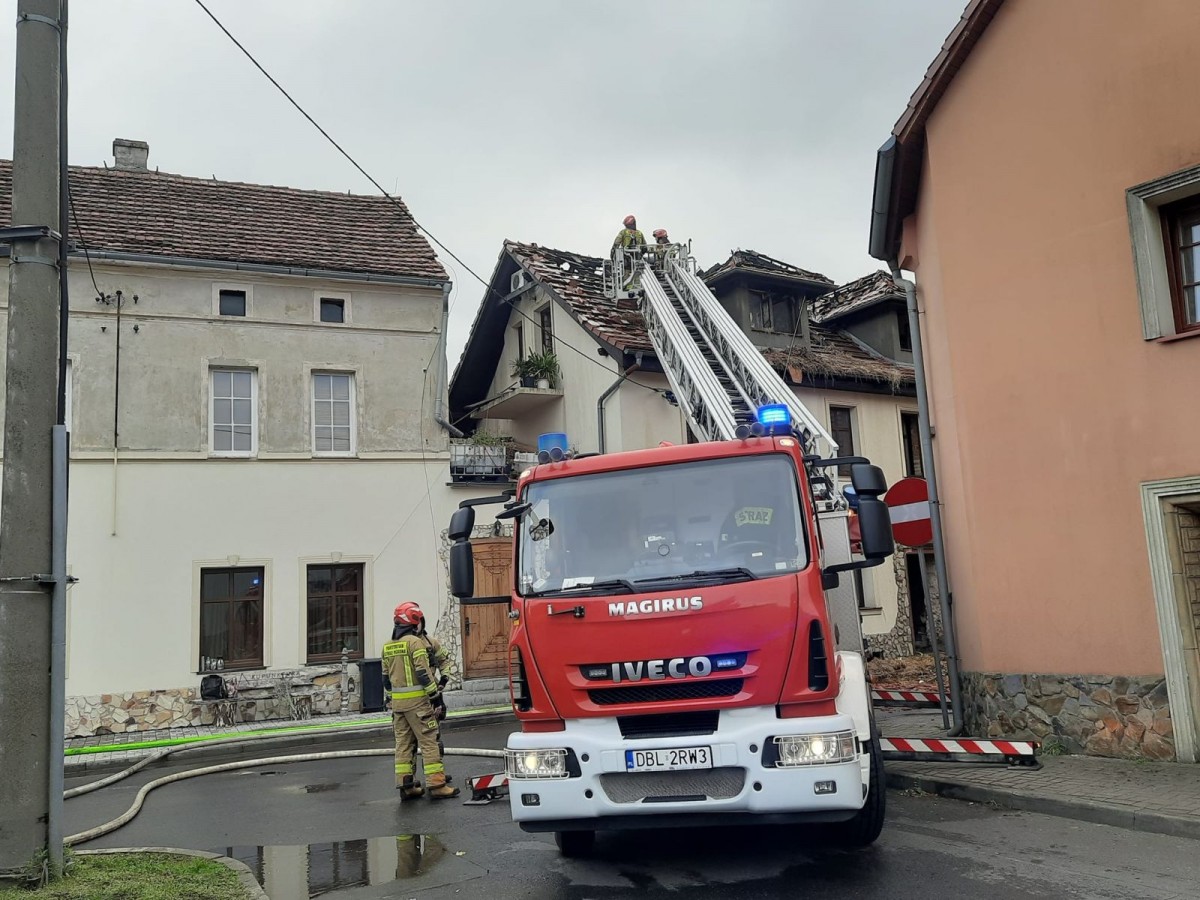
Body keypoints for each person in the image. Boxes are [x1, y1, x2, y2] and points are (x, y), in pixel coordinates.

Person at [382, 603, 460, 800]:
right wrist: (435, 696)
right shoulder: (415, 643)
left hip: (398, 706)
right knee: (429, 741)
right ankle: (437, 785)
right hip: (418, 704)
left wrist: (391, 699)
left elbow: (385, 679)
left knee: (403, 744)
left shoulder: (388, 645)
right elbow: (423, 674)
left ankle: (406, 786)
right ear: (415, 620)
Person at [395, 601, 455, 781]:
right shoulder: (404, 644)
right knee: (416, 742)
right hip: (419, 700)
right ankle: (427, 780)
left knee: (433, 738)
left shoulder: (430, 642)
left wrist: (443, 680)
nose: (417, 626)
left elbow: (444, 661)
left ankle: (434, 775)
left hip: (430, 695)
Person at [611, 215, 646, 293]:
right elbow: (645, 247)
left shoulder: (623, 232)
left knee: (626, 275)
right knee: (637, 275)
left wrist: (612, 255)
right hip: (637, 259)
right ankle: (635, 288)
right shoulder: (640, 233)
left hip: (626, 259)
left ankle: (626, 289)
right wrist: (640, 255)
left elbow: (616, 244)